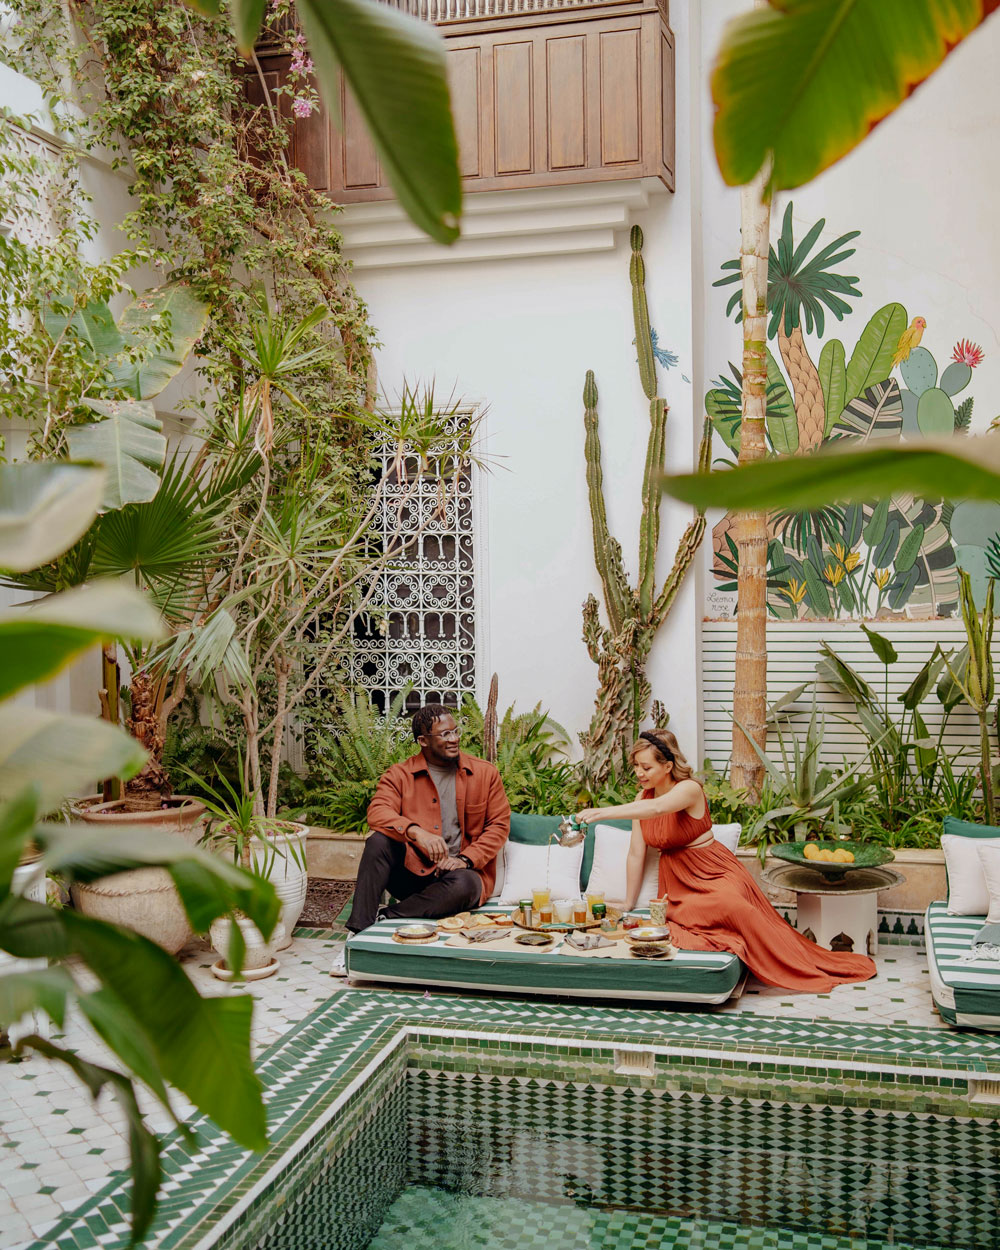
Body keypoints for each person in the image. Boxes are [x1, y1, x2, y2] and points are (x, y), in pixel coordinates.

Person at [576, 727, 876, 993]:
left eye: (646, 767)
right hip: (679, 881)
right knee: (689, 918)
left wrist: (600, 812)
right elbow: (636, 852)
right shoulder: (643, 799)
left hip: (713, 870)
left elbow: (659, 810)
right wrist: (628, 904)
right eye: (637, 767)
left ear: (667, 765)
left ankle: (792, 960)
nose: (640, 774)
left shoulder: (689, 789)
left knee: (734, 907)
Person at [331, 702, 510, 976]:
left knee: (468, 883)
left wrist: (464, 859)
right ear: (423, 741)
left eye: (455, 731)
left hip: (456, 880)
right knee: (378, 842)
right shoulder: (400, 775)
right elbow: (377, 812)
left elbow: (498, 826)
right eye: (445, 735)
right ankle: (356, 938)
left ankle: (386, 917)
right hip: (413, 874)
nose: (454, 739)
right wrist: (416, 831)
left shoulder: (484, 774)